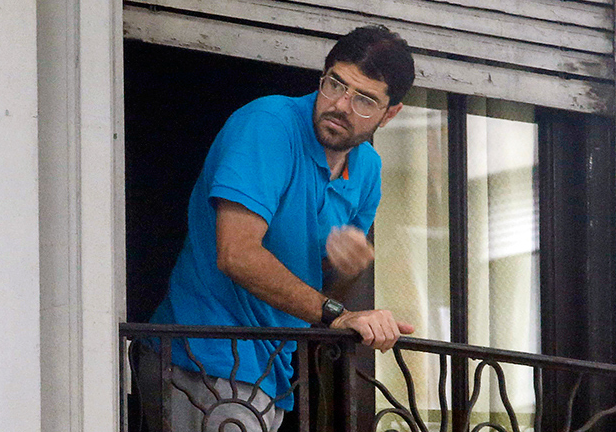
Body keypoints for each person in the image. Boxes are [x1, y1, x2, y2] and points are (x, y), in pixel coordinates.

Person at [135, 25, 416, 432]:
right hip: (202, 360)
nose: (341, 105)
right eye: (335, 84)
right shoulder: (269, 125)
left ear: (390, 114)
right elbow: (236, 254)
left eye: (365, 100)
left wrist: (344, 271)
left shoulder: (368, 170)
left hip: (273, 372)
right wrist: (339, 315)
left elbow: (318, 296)